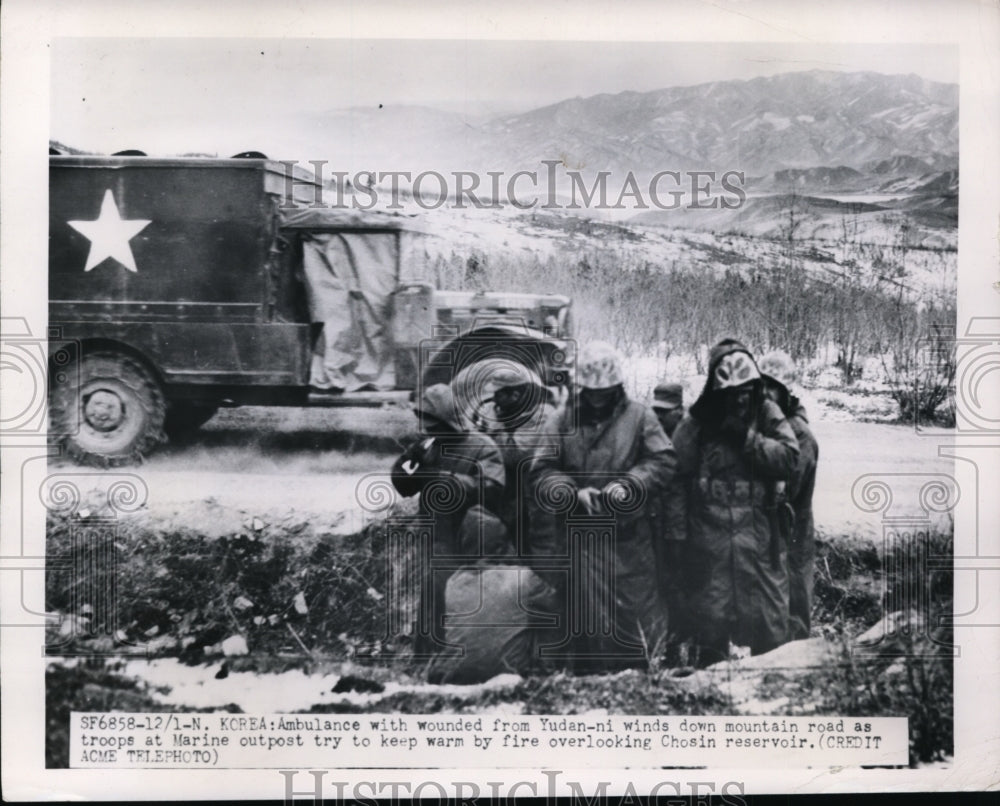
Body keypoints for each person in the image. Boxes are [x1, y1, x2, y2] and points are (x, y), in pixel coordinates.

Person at [530, 341, 676, 674]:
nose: (597, 399)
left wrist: (631, 485)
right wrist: (570, 493)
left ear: (617, 387)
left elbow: (663, 461)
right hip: (580, 541)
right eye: (591, 392)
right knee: (585, 622)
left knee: (635, 617)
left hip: (628, 541)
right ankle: (590, 685)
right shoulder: (561, 420)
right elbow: (540, 470)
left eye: (605, 392)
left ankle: (637, 681)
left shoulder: (640, 417)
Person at [669, 339, 799, 666]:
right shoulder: (696, 423)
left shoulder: (766, 412)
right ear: (716, 391)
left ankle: (768, 700)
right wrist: (676, 533)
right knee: (709, 624)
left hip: (759, 539)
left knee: (769, 629)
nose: (739, 400)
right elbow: (675, 479)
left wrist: (747, 439)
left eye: (745, 392)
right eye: (731, 394)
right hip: (709, 542)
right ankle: (709, 695)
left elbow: (789, 457)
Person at [390, 383, 505, 658]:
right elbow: (405, 486)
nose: (428, 430)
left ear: (447, 420)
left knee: (458, 599)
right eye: (425, 425)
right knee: (432, 595)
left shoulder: (482, 447)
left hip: (467, 539)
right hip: (437, 537)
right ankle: (427, 657)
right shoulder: (429, 447)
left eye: (433, 424)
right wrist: (405, 466)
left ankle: (454, 657)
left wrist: (448, 481)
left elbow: (494, 487)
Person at [425, 508, 557, 684]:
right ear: (501, 545)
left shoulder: (453, 583)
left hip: (457, 677)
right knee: (542, 618)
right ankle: (545, 675)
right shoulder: (524, 578)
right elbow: (556, 607)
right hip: (511, 674)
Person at [759, 350, 819, 641]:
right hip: (770, 532)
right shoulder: (770, 426)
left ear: (786, 393)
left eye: (773, 387)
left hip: (792, 531)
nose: (766, 395)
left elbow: (786, 490)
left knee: (794, 602)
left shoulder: (800, 435)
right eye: (762, 386)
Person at [648, 381, 689, 661]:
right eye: (657, 411)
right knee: (660, 585)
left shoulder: (690, 437)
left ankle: (680, 646)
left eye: (666, 412)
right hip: (658, 526)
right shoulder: (652, 436)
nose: (660, 417)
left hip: (685, 530)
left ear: (680, 410)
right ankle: (667, 648)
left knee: (682, 588)